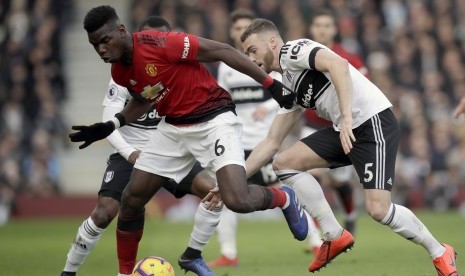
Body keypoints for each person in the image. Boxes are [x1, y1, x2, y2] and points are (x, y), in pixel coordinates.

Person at [69, 5, 308, 276]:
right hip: (173, 127)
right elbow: (146, 98)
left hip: (214, 118)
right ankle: (126, 273)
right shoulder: (120, 72)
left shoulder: (163, 43)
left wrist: (271, 85)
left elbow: (224, 51)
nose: (100, 49)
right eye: (94, 45)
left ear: (121, 31)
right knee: (132, 198)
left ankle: (282, 197)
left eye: (104, 40)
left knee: (237, 200)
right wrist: (111, 124)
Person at [241, 18, 458, 275]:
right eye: (246, 53)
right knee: (284, 162)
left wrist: (344, 118)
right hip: (345, 129)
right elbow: (271, 142)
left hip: (372, 121)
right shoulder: (287, 85)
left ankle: (440, 251)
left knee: (378, 209)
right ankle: (333, 234)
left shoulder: (294, 50)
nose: (250, 58)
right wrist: (233, 182)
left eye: (252, 50)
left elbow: (339, 64)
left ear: (273, 42)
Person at [61, 16, 223, 276]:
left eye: (161, 40)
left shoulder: (180, 68)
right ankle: (68, 272)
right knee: (104, 213)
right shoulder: (124, 73)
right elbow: (109, 121)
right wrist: (130, 153)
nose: (155, 45)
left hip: (171, 152)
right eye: (150, 39)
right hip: (131, 154)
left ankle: (195, 255)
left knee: (216, 193)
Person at [303, 9, 370, 236]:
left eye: (326, 25)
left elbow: (365, 91)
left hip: (340, 127)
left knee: (340, 181)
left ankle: (349, 216)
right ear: (311, 29)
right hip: (311, 125)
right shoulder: (302, 56)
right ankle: (318, 230)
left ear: (334, 30)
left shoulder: (349, 59)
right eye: (318, 25)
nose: (322, 29)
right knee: (310, 175)